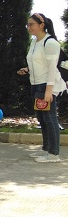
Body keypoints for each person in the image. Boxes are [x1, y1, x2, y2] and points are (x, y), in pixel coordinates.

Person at [17, 13, 67, 162]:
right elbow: (38, 62)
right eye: (27, 24)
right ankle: (46, 148)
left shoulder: (50, 43)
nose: (28, 27)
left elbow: (52, 68)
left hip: (46, 84)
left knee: (49, 118)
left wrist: (49, 90)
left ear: (42, 25)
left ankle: (53, 154)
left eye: (31, 24)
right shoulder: (34, 42)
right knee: (41, 118)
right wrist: (27, 69)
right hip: (36, 83)